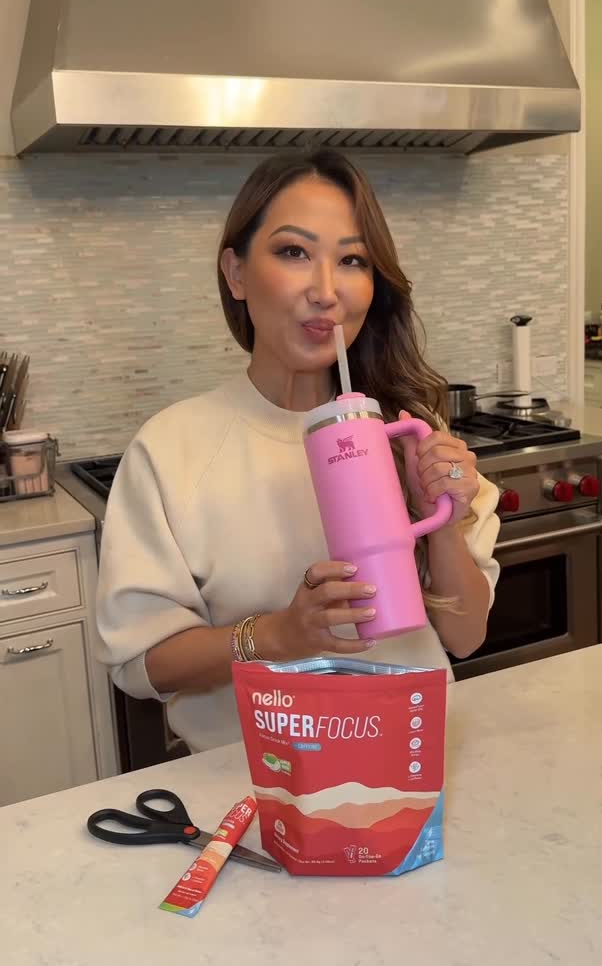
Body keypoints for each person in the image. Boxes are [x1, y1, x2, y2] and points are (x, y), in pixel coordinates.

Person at [96, 150, 500, 752]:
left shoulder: (410, 430)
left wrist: (437, 519)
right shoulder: (171, 449)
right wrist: (279, 636)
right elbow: (142, 666)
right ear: (236, 273)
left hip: (409, 765)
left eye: (352, 260)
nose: (327, 291)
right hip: (254, 781)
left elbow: (465, 636)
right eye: (293, 252)